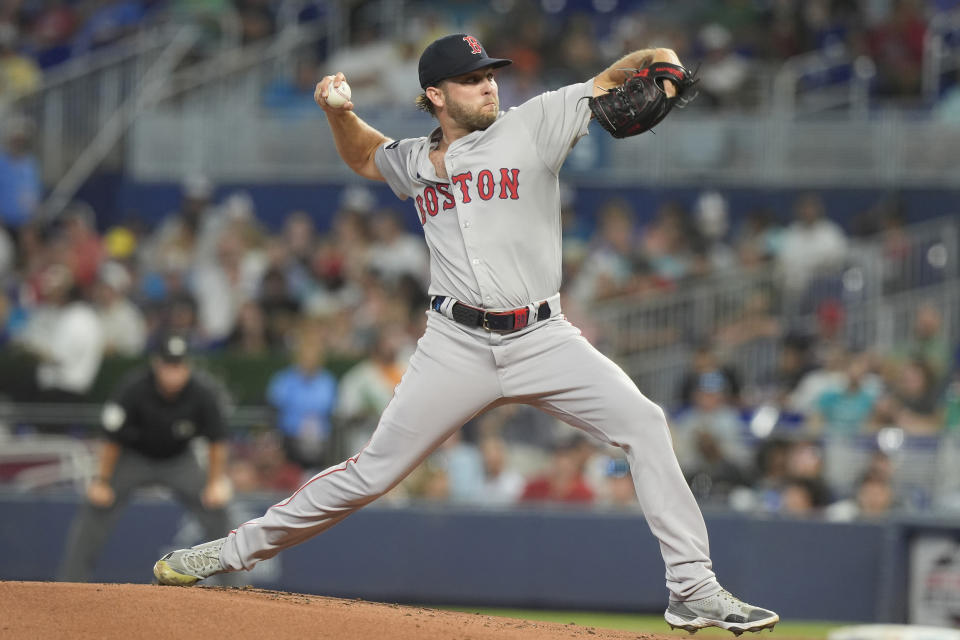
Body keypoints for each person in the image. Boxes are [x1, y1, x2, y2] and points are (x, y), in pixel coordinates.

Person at [153, 33, 778, 633]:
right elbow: (367, 155)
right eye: (471, 80)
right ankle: (229, 552)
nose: (488, 88)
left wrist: (663, 63)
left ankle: (692, 589)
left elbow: (620, 73)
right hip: (454, 345)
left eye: (490, 77)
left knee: (644, 423)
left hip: (542, 336)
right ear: (435, 95)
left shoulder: (536, 123)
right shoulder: (415, 161)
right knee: (371, 472)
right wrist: (338, 112)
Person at [59, 334, 232, 581]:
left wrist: (215, 482)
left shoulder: (201, 392)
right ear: (156, 364)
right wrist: (102, 480)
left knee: (217, 508)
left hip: (179, 460)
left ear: (187, 366)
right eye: (169, 365)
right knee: (97, 505)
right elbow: (111, 438)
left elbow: (217, 440)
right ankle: (69, 582)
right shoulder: (134, 388)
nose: (174, 373)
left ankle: (233, 584)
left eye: (179, 366)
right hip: (134, 458)